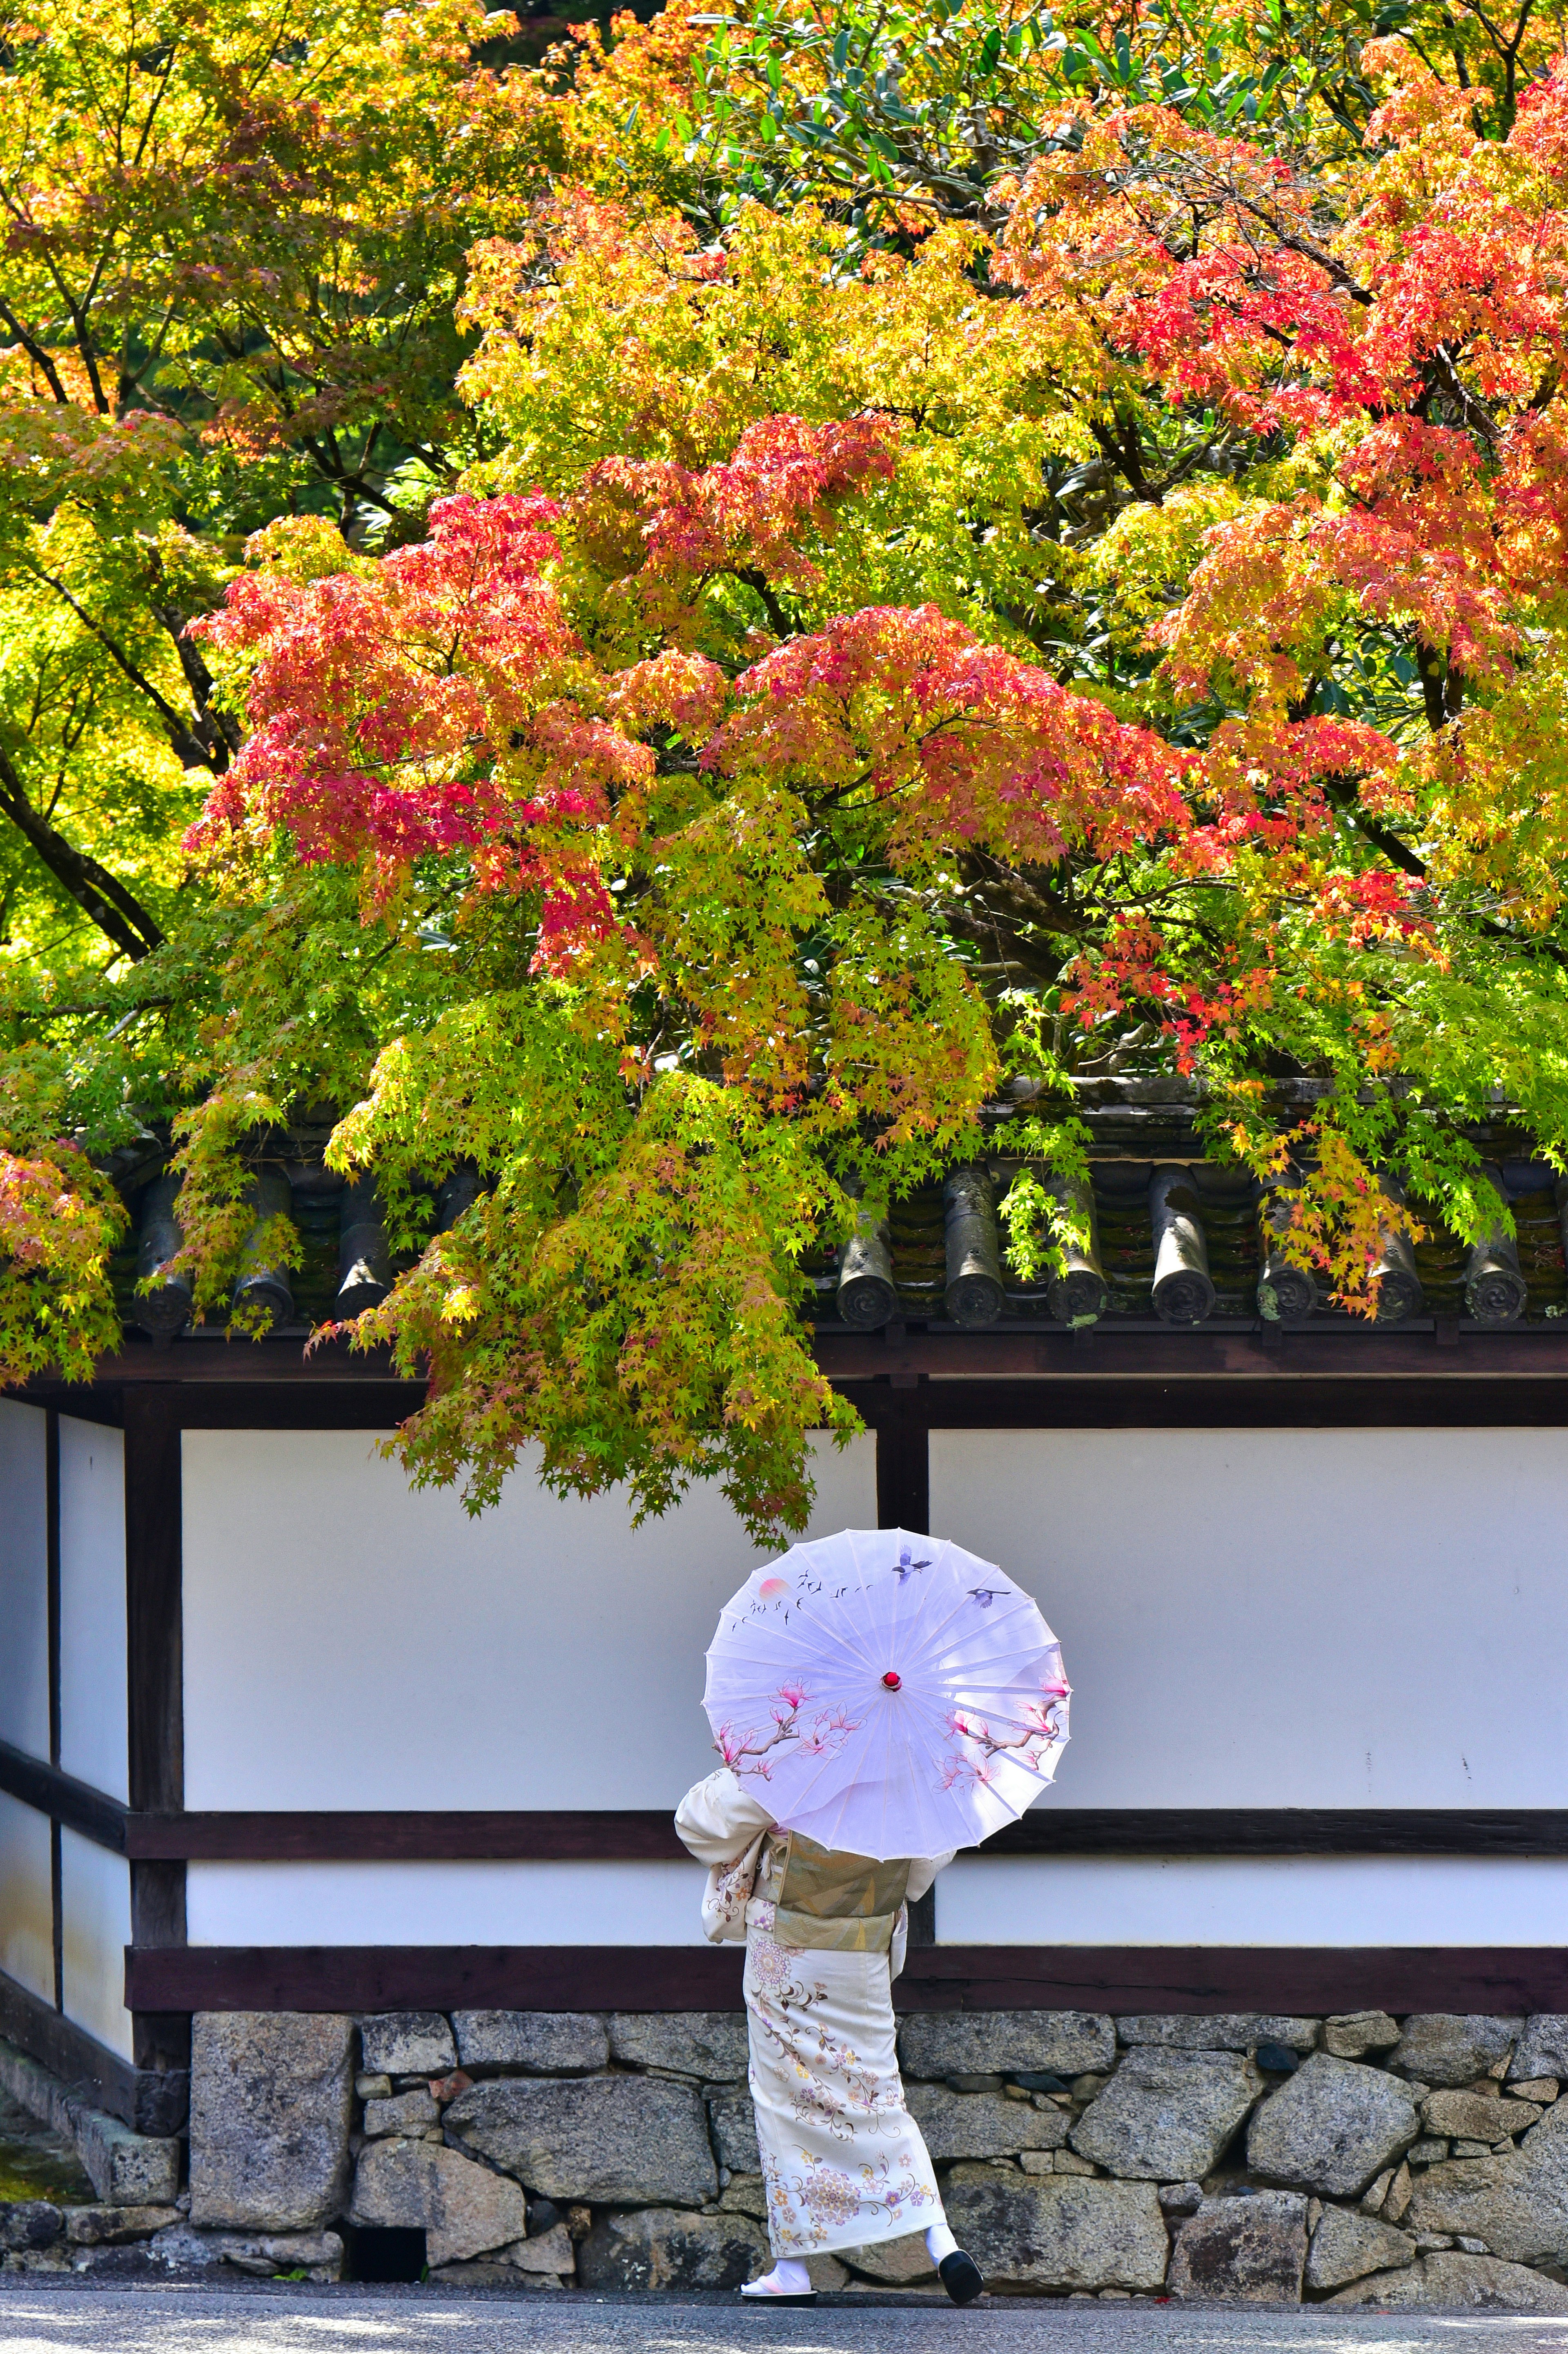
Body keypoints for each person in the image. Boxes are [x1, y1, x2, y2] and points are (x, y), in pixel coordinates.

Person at [675, 1764, 985, 2305]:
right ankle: (941, 2241)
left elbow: (701, 1827)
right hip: (860, 1946)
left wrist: (751, 1766)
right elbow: (918, 1873)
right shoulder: (906, 1763)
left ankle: (792, 2269)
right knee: (878, 2093)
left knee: (781, 2099)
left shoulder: (799, 1749)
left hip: (786, 1946)